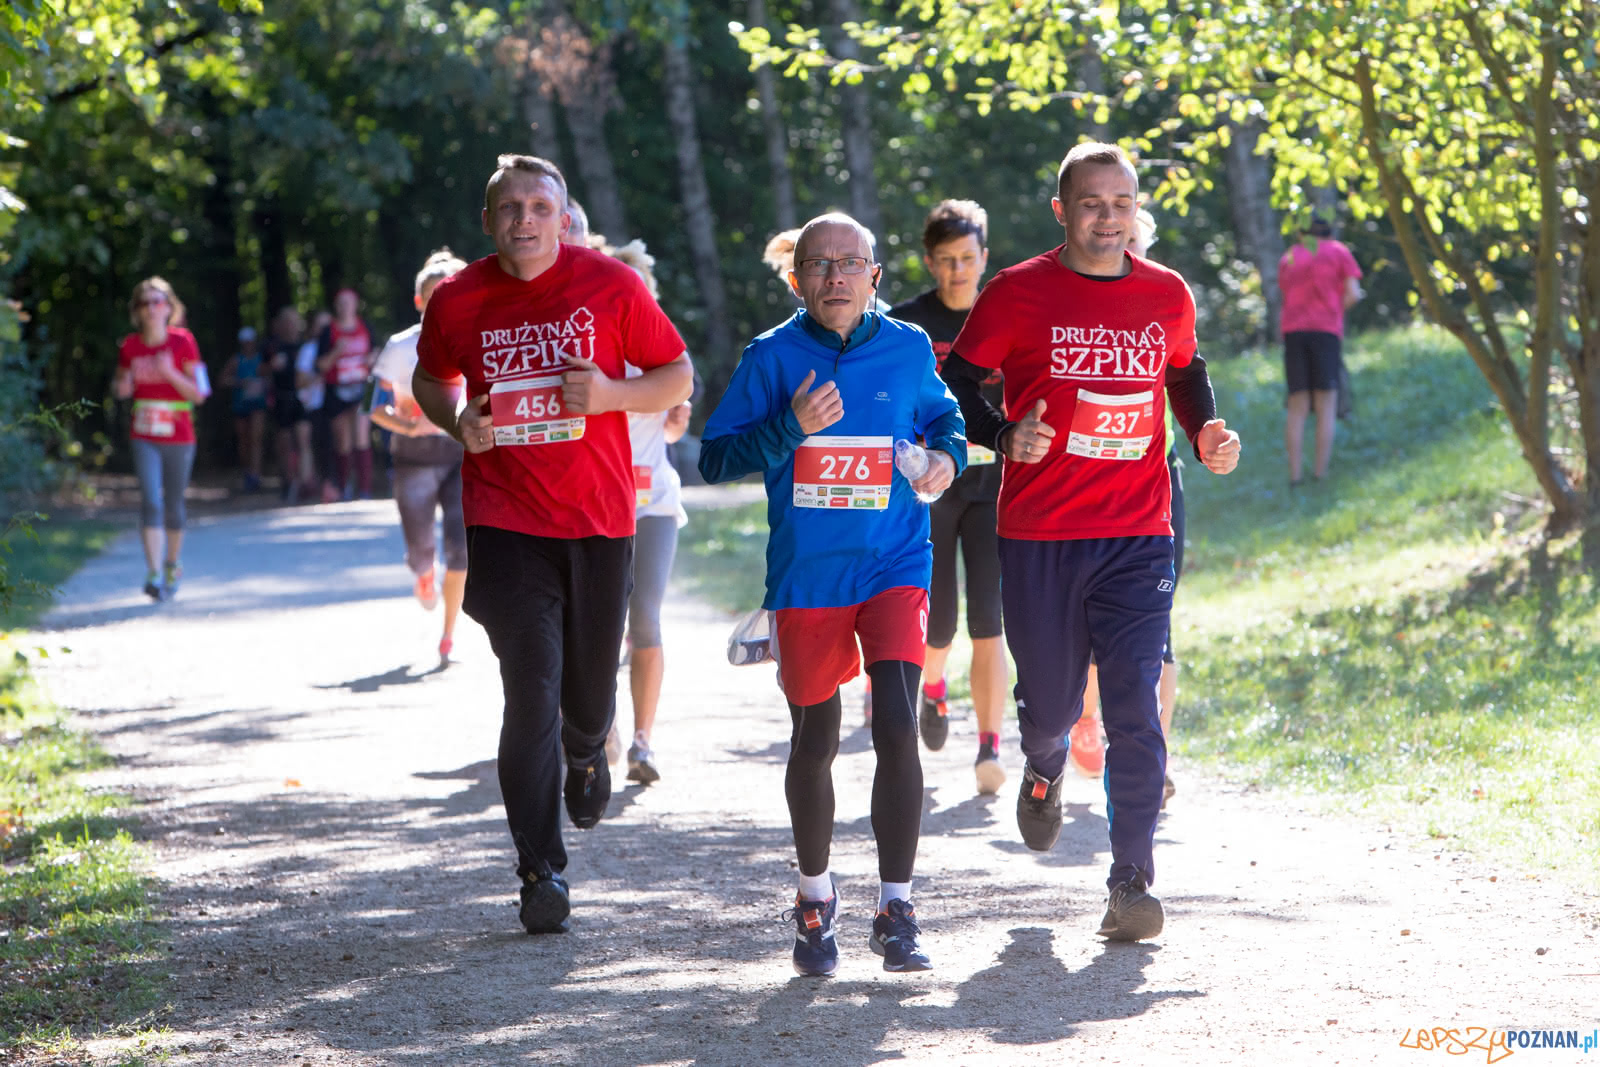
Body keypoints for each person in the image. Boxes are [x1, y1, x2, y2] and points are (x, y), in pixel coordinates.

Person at [939, 142, 1240, 942]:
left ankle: (1130, 880)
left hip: (1138, 529)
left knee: (1136, 706)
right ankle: (1042, 766)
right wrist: (1003, 436)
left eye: (1121, 202)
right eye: (1092, 203)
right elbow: (958, 384)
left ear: (1136, 208)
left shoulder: (1166, 293)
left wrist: (1203, 428)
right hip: (1041, 532)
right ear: (1063, 211)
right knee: (1054, 708)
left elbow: (1183, 370)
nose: (1109, 217)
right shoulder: (1018, 292)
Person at [411, 154, 693, 935]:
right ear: (488, 220)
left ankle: (584, 749)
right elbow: (433, 381)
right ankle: (541, 868)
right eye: (511, 208)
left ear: (564, 219)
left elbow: (676, 374)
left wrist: (610, 395)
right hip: (506, 519)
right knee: (529, 683)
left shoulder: (609, 284)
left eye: (541, 207)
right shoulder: (460, 299)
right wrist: (455, 420)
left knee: (587, 696)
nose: (526, 220)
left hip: (600, 518)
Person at [700, 212, 966, 977]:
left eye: (851, 264)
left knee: (895, 722)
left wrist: (944, 462)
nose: (836, 278)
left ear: (875, 277)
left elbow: (948, 426)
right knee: (815, 739)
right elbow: (715, 457)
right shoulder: (772, 356)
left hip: (893, 563)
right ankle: (815, 898)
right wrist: (788, 426)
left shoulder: (909, 348)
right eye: (820, 265)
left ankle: (898, 906)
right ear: (797, 279)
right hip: (810, 576)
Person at [889, 199, 1009, 796]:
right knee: (938, 621)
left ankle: (989, 745)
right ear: (931, 263)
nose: (959, 271)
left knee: (990, 622)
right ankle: (933, 686)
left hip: (994, 486)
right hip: (929, 488)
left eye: (968, 258)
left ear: (984, 258)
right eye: (946, 261)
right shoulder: (907, 325)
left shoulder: (1008, 314)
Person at [1070, 208, 1182, 809]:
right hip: (1086, 492)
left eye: (1136, 243)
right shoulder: (1076, 309)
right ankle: (1086, 719)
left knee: (1157, 625)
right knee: (1092, 631)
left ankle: (1149, 756)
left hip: (1155, 485)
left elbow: (1189, 377)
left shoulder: (1164, 303)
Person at [369, 249, 471, 662]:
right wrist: (408, 424)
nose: (443, 301)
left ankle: (448, 634)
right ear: (419, 301)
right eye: (434, 295)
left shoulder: (476, 339)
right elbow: (374, 407)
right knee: (421, 547)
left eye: (451, 293)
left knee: (462, 548)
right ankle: (423, 573)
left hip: (463, 454)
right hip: (414, 456)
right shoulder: (399, 348)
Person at [111, 277, 210, 600]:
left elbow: (200, 394)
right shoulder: (130, 346)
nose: (151, 308)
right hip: (144, 435)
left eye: (157, 302)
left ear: (169, 307)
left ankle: (172, 563)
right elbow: (122, 385)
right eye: (144, 303)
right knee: (150, 500)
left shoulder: (184, 342)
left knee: (173, 504)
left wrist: (169, 373)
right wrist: (122, 388)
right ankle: (153, 572)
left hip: (180, 435)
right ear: (137, 311)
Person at [1279, 216, 1362, 485]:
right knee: (1326, 403)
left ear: (1302, 233)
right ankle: (1320, 473)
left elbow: (1284, 290)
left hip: (1294, 333)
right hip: (1325, 332)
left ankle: (1294, 476)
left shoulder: (1290, 256)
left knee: (1297, 405)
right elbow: (1354, 293)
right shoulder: (1339, 252)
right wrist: (1335, 311)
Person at [316, 288, 375, 500]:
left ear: (356, 304)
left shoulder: (366, 326)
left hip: (364, 387)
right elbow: (321, 365)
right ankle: (344, 487)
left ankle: (365, 490)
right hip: (336, 391)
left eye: (349, 302)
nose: (345, 307)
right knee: (343, 440)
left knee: (362, 433)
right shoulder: (327, 331)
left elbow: (377, 354)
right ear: (336, 306)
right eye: (341, 303)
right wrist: (336, 352)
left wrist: (371, 358)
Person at [264, 307, 314, 503]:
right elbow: (258, 370)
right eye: (287, 322)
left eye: (294, 322)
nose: (291, 326)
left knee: (303, 439)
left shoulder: (305, 346)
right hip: (281, 398)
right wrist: (271, 366)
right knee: (284, 442)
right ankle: (288, 481)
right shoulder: (272, 346)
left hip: (302, 398)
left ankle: (305, 483)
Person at [222, 326, 268, 493]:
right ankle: (247, 472)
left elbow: (269, 378)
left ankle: (256, 475)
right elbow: (223, 380)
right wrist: (240, 382)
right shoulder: (236, 360)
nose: (248, 345)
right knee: (244, 440)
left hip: (258, 404)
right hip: (241, 405)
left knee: (256, 439)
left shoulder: (261, 360)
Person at [296, 310, 334, 501]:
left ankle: (336, 486)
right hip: (315, 405)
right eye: (321, 326)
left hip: (335, 404)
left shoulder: (337, 346)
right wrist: (319, 373)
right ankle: (314, 487)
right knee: (316, 446)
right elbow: (300, 381)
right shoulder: (308, 350)